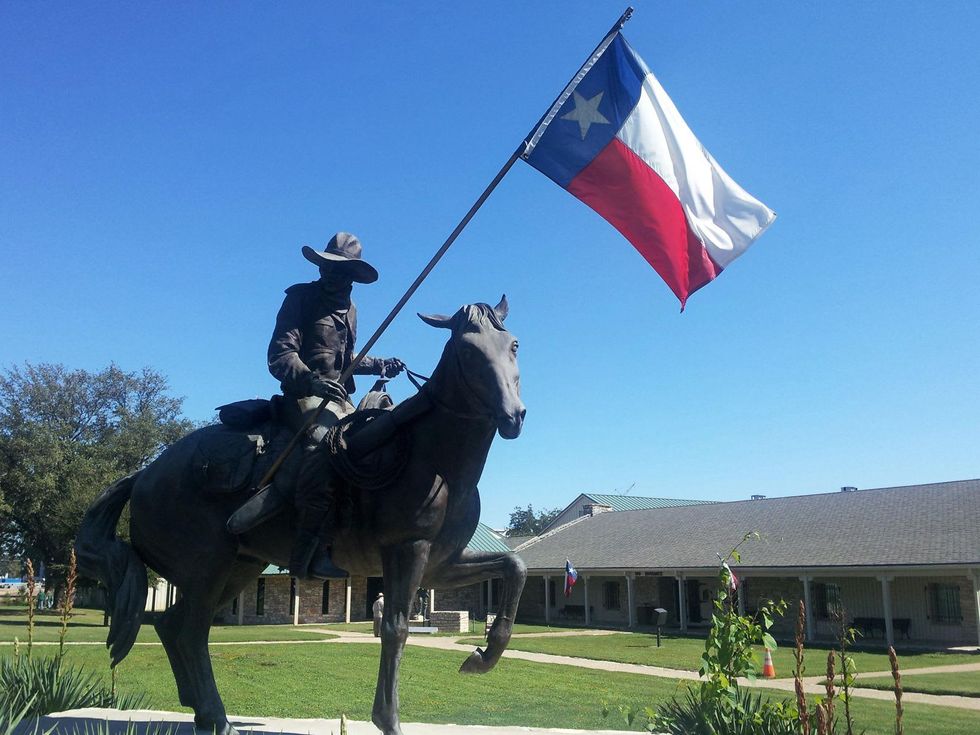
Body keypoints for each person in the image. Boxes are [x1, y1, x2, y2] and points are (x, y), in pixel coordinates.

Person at [268, 232, 405, 580]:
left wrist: (377, 364)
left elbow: (343, 361)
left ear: (353, 277)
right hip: (304, 396)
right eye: (328, 268)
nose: (332, 276)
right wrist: (311, 380)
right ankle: (307, 554)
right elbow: (279, 356)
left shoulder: (352, 311)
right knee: (325, 448)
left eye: (341, 271)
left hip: (339, 399)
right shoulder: (300, 298)